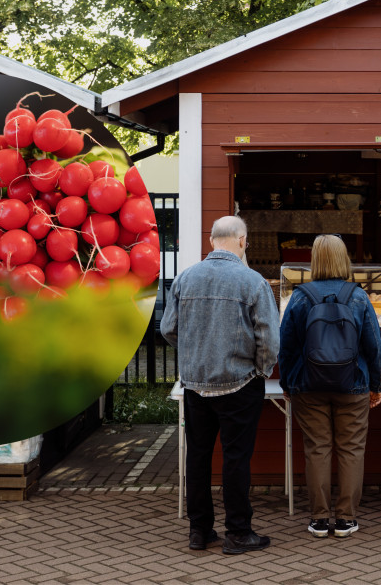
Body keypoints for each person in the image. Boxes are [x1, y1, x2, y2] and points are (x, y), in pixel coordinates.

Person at [160, 215, 279, 555]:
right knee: (236, 459)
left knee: (197, 457)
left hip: (196, 385)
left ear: (212, 242)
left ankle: (199, 531)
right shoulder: (253, 282)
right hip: (240, 384)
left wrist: (195, 353)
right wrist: (261, 370)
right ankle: (238, 532)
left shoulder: (186, 278)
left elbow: (169, 329)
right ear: (242, 241)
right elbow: (270, 340)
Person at [278, 234, 381, 539]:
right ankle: (346, 519)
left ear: (315, 259)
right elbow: (374, 347)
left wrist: (288, 382)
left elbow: (286, 347)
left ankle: (320, 519)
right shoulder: (358, 296)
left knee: (317, 450)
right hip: (353, 384)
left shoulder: (300, 296)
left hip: (308, 386)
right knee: (351, 449)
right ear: (344, 259)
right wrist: (376, 384)